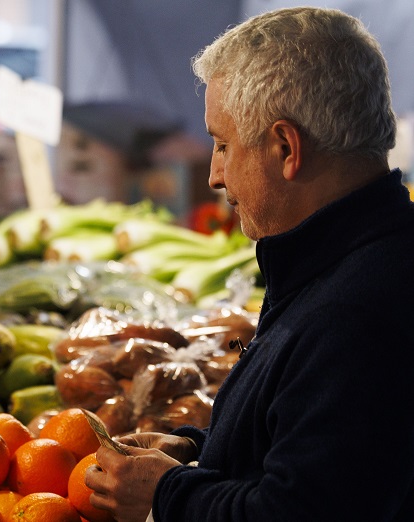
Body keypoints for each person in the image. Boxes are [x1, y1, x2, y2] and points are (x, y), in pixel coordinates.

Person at [84, 6, 414, 521]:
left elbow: (303, 511)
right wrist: (196, 451)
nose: (215, 175)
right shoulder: (341, 261)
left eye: (222, 144)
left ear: (286, 147)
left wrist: (166, 497)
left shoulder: (356, 312)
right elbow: (310, 446)